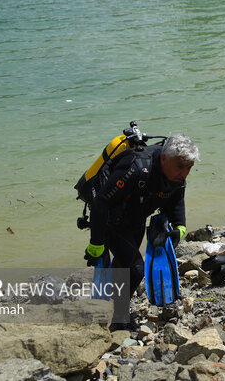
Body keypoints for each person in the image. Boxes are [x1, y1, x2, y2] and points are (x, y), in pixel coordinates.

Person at [83, 134, 199, 330]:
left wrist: (178, 232)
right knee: (136, 269)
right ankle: (119, 317)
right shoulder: (136, 168)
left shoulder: (177, 179)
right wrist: (96, 242)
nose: (185, 173)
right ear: (164, 159)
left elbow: (178, 209)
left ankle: (110, 308)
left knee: (123, 266)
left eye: (189, 167)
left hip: (136, 219)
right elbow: (100, 202)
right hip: (111, 221)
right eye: (181, 166)